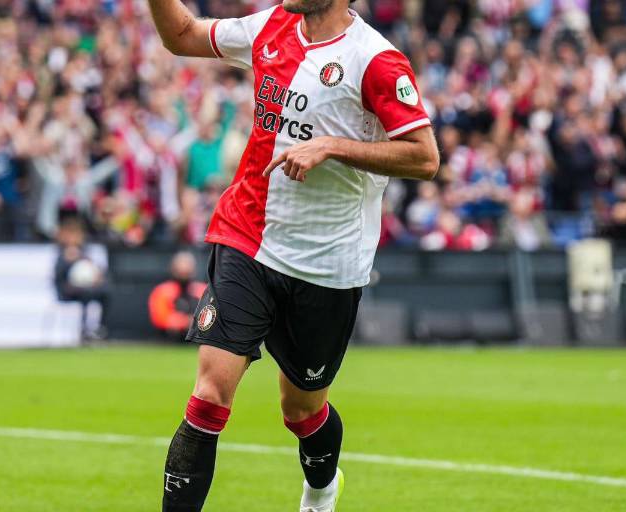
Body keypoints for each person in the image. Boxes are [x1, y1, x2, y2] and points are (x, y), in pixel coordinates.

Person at [148, 1, 439, 511]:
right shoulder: (271, 25)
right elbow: (182, 35)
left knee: (301, 409)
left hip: (327, 264)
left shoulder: (375, 60)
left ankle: (321, 492)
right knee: (210, 394)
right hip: (247, 237)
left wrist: (332, 145)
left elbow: (424, 156)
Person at [148, 251, 207, 340]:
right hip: (169, 338)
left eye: (187, 270)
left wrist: (193, 322)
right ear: (173, 269)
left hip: (197, 338)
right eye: (181, 270)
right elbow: (159, 318)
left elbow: (209, 316)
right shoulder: (162, 291)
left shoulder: (202, 290)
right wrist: (185, 321)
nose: (184, 271)